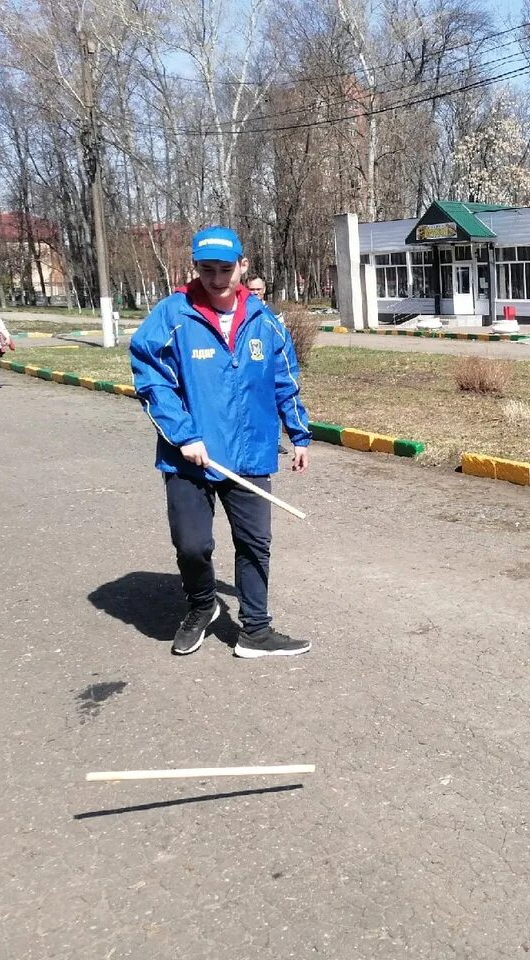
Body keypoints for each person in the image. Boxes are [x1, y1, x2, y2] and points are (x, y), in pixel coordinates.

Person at [129, 226, 313, 659]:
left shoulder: (265, 322)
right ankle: (202, 604)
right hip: (189, 457)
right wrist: (183, 435)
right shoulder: (172, 315)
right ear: (195, 268)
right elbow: (151, 379)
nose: (216, 279)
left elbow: (285, 381)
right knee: (192, 545)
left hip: (249, 452)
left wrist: (299, 435)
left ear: (243, 267)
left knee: (254, 543)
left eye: (225, 270)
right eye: (207, 269)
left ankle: (255, 630)